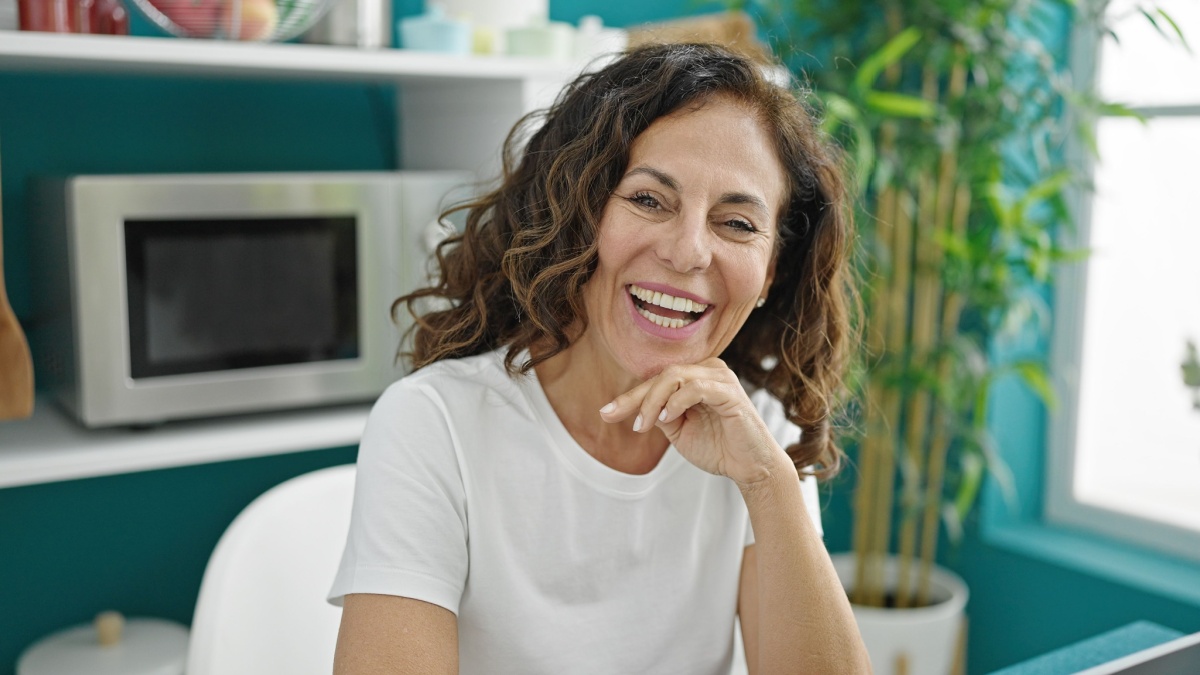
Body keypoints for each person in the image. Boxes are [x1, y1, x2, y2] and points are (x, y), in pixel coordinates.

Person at [329, 42, 871, 674]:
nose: (689, 251)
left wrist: (769, 483)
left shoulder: (757, 435)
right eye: (648, 200)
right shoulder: (434, 423)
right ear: (577, 215)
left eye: (737, 224)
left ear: (771, 270)